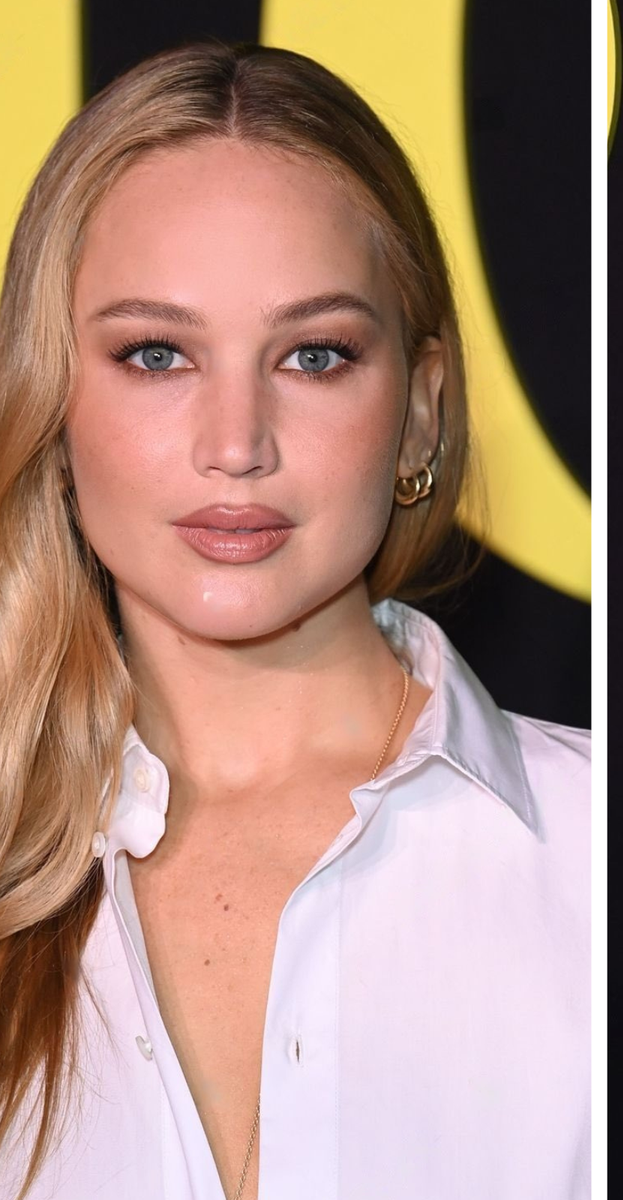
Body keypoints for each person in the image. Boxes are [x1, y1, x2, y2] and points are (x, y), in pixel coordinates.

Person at [0, 41, 590, 1200]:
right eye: (156, 354)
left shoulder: (593, 853)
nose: (236, 443)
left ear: (421, 412)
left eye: (315, 356)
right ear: (53, 399)